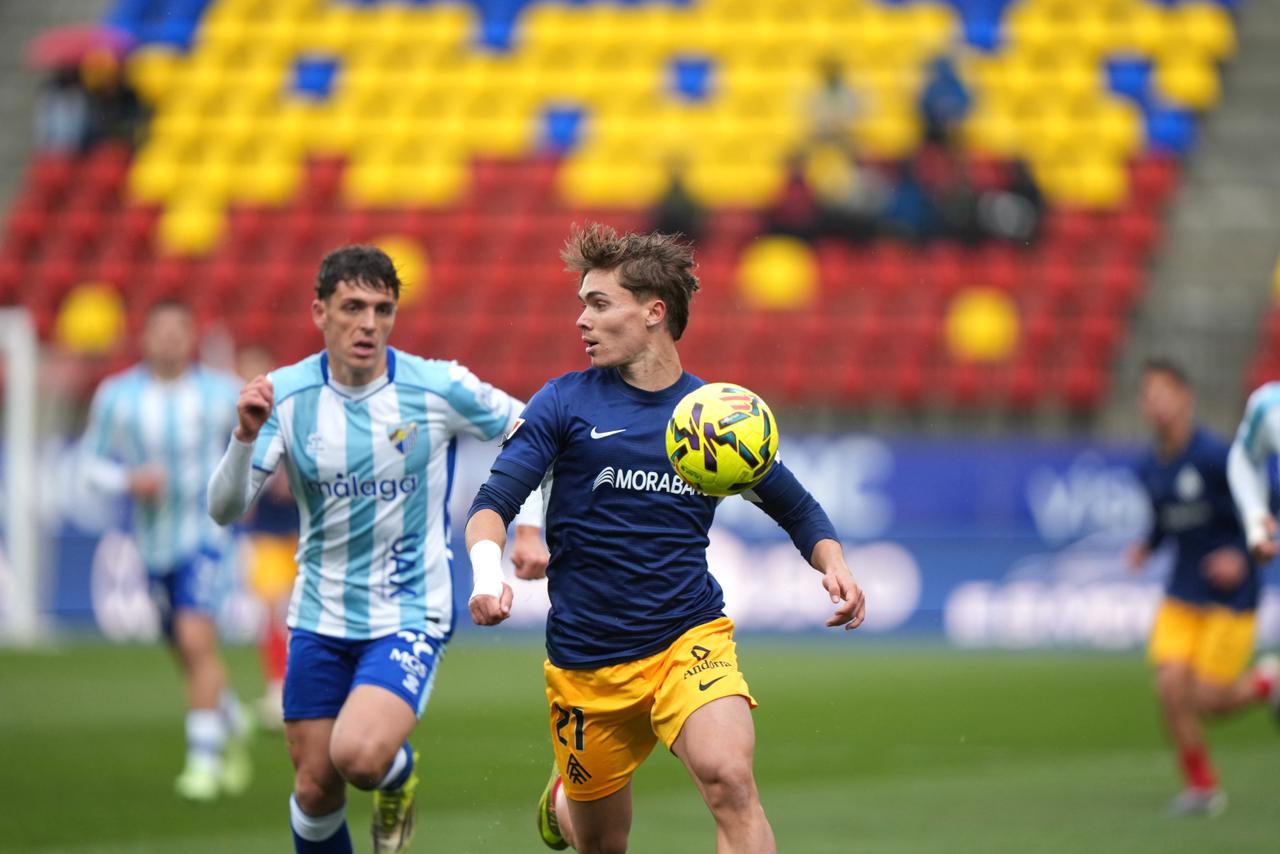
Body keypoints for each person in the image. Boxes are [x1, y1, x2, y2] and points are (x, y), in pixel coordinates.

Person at [464, 223, 866, 853]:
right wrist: (488, 578)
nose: (581, 321)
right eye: (581, 304)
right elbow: (491, 505)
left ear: (654, 312)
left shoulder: (714, 416)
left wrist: (834, 563)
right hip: (587, 664)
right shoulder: (562, 403)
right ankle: (564, 803)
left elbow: (794, 505)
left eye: (599, 304)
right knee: (600, 843)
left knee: (730, 779)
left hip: (687, 636)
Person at [207, 245, 547, 854]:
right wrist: (242, 437)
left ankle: (395, 773)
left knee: (358, 756)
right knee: (315, 790)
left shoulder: (437, 386)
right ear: (320, 311)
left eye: (382, 309)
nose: (369, 323)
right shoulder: (282, 396)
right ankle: (387, 776)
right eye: (353, 307)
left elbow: (534, 435)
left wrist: (527, 529)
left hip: (410, 608)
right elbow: (224, 509)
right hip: (318, 612)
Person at [80, 299, 252, 802]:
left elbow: (259, 435)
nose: (172, 340)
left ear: (192, 336)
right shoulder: (117, 396)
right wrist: (126, 479)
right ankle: (227, 715)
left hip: (207, 534)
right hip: (152, 543)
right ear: (146, 337)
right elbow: (89, 465)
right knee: (184, 649)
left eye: (181, 331)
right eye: (163, 331)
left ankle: (203, 761)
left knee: (196, 640)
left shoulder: (218, 392)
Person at [1128, 359, 1277, 816]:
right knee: (1170, 684)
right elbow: (1164, 519)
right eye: (1148, 395)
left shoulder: (1216, 455)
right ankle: (1201, 786)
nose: (1155, 403)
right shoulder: (1149, 465)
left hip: (1231, 596)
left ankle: (1267, 681)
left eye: (1163, 393)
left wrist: (1239, 549)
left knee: (1210, 699)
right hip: (1182, 590)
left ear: (1185, 397)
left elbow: (1259, 500)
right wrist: (1147, 546)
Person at [235, 344, 300, 731]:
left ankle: (293, 687)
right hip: (265, 535)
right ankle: (278, 688)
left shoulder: (289, 418)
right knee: (274, 611)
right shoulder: (241, 424)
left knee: (293, 613)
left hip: (299, 529)